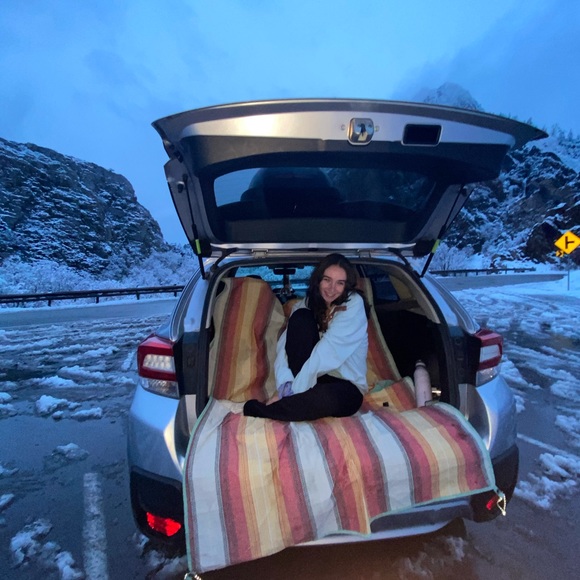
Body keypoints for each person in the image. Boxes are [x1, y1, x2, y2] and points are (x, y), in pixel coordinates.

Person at [243, 253, 368, 421]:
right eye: (327, 280)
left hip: (345, 384)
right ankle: (294, 403)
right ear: (318, 280)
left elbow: (328, 352)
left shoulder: (353, 303)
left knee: (324, 398)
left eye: (340, 283)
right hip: (309, 378)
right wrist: (285, 387)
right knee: (301, 318)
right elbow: (285, 347)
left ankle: (266, 411)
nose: (332, 288)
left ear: (347, 286)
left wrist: (295, 392)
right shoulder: (306, 304)